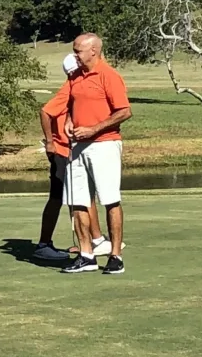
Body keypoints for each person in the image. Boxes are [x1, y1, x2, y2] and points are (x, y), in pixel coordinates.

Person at [60, 32, 131, 275]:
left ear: (93, 51)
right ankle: (86, 255)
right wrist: (69, 121)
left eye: (78, 50)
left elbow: (123, 111)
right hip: (77, 146)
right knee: (77, 201)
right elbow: (71, 105)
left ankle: (115, 256)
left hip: (104, 144)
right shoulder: (75, 77)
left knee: (109, 199)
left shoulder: (109, 76)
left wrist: (93, 129)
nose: (74, 55)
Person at [33, 53, 81, 263]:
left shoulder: (78, 88)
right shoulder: (69, 88)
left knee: (77, 198)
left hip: (74, 150)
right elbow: (45, 112)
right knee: (57, 197)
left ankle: (86, 242)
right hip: (61, 151)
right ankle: (44, 244)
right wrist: (50, 142)